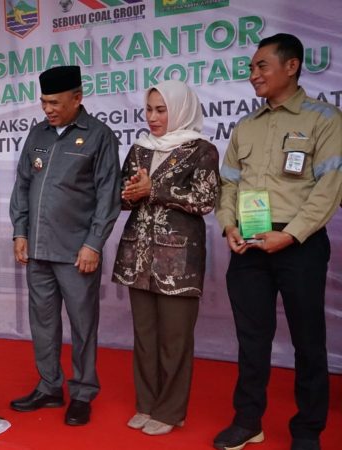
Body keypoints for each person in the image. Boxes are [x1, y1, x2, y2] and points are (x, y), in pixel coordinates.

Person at [213, 33, 342, 450]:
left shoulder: (324, 119)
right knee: (252, 340)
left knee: (308, 340)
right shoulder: (246, 126)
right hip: (249, 243)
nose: (253, 75)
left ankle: (307, 431)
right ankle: (248, 421)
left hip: (299, 244)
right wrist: (229, 225)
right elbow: (227, 184)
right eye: (251, 68)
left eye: (261, 66)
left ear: (292, 66)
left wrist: (289, 235)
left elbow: (330, 188)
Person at [8, 66, 120, 426]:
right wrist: (20, 232)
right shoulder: (37, 133)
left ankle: (83, 392)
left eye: (55, 102)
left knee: (83, 325)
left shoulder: (99, 135)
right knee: (42, 323)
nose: (48, 109)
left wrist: (93, 244)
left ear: (78, 97)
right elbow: (22, 184)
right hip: (38, 250)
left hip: (76, 253)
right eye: (43, 102)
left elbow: (107, 196)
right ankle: (49, 387)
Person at [111, 80, 220, 435]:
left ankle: (171, 411)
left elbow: (205, 201)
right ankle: (147, 403)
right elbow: (124, 198)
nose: (153, 117)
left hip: (179, 261)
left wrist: (153, 189)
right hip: (137, 255)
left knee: (175, 338)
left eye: (162, 109)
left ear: (180, 109)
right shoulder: (140, 148)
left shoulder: (201, 150)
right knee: (144, 335)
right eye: (149, 109)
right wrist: (128, 193)